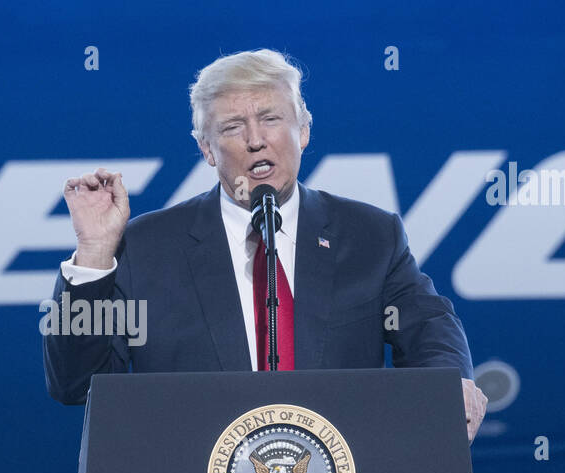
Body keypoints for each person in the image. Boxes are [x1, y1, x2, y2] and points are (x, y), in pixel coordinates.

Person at [43, 48, 488, 441]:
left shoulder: (369, 235)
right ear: (207, 150)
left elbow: (429, 326)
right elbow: (78, 384)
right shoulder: (148, 246)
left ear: (304, 131)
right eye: (234, 126)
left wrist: (449, 383)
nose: (256, 139)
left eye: (271, 119)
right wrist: (96, 253)